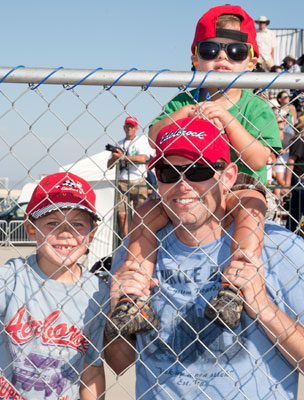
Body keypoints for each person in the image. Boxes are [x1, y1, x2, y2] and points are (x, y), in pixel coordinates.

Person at [105, 4, 281, 337]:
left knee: (251, 211)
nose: (223, 58)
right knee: (145, 213)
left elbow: (259, 160)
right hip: (187, 183)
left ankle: (234, 284)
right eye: (210, 50)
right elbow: (155, 135)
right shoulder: (184, 101)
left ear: (252, 61)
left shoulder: (256, 106)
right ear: (195, 58)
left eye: (237, 51)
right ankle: (136, 292)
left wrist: (227, 120)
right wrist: (187, 112)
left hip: (239, 183)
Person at [104, 120, 304, 399]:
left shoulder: (280, 247)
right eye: (168, 173)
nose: (183, 186)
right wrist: (116, 312)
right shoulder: (135, 250)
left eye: (198, 170)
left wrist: (263, 308)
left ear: (228, 176)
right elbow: (119, 363)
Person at [0, 172, 110, 399]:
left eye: (77, 223)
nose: (65, 233)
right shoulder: (11, 279)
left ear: (92, 233)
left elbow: (92, 372)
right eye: (52, 222)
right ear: (31, 229)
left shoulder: (98, 294)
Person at [107, 116, 151, 237]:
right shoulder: (119, 143)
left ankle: (140, 238)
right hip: (122, 181)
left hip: (138, 180)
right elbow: (109, 165)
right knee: (122, 215)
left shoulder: (141, 141)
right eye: (127, 126)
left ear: (136, 128)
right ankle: (127, 240)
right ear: (124, 127)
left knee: (140, 214)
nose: (129, 129)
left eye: (132, 126)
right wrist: (115, 157)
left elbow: (143, 158)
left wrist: (123, 157)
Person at [285, 120, 304, 232]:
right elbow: (291, 162)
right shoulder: (300, 141)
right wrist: (287, 184)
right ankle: (289, 234)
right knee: (295, 215)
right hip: (299, 180)